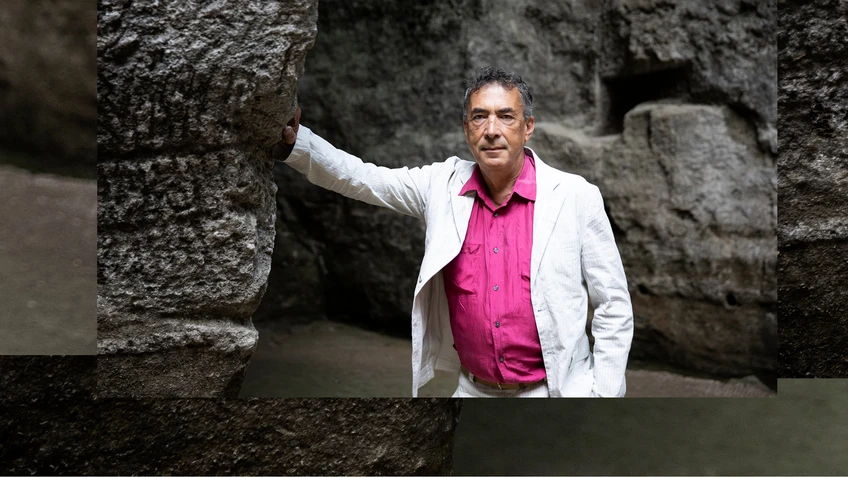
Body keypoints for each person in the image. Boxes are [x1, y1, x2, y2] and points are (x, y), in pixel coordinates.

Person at [272, 67, 633, 397]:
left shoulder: (575, 196)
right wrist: (296, 144)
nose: (492, 130)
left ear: (528, 127)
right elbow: (365, 179)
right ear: (466, 129)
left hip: (556, 393)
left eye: (506, 116)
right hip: (473, 390)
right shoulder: (441, 185)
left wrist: (603, 393)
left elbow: (614, 305)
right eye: (480, 117)